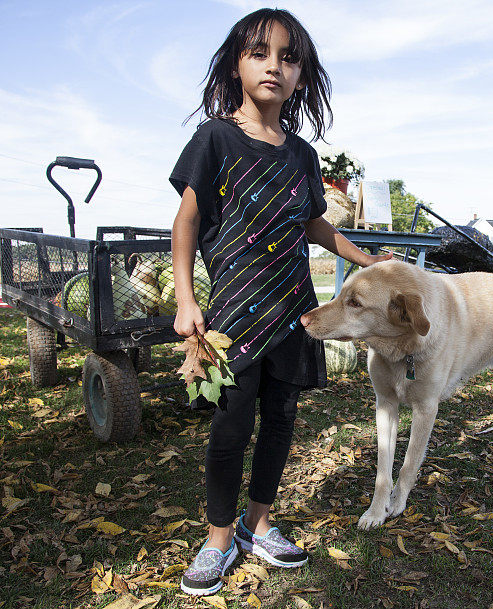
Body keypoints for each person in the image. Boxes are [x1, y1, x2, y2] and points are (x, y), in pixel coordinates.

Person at [169, 8, 390, 596]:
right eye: (260, 52)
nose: (274, 66)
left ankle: (257, 521)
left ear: (303, 75)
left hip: (294, 311)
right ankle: (219, 538)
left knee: (282, 421)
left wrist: (369, 261)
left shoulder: (302, 156)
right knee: (230, 427)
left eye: (289, 57)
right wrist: (187, 301)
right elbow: (186, 221)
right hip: (233, 316)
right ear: (235, 63)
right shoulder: (216, 140)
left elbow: (315, 226)